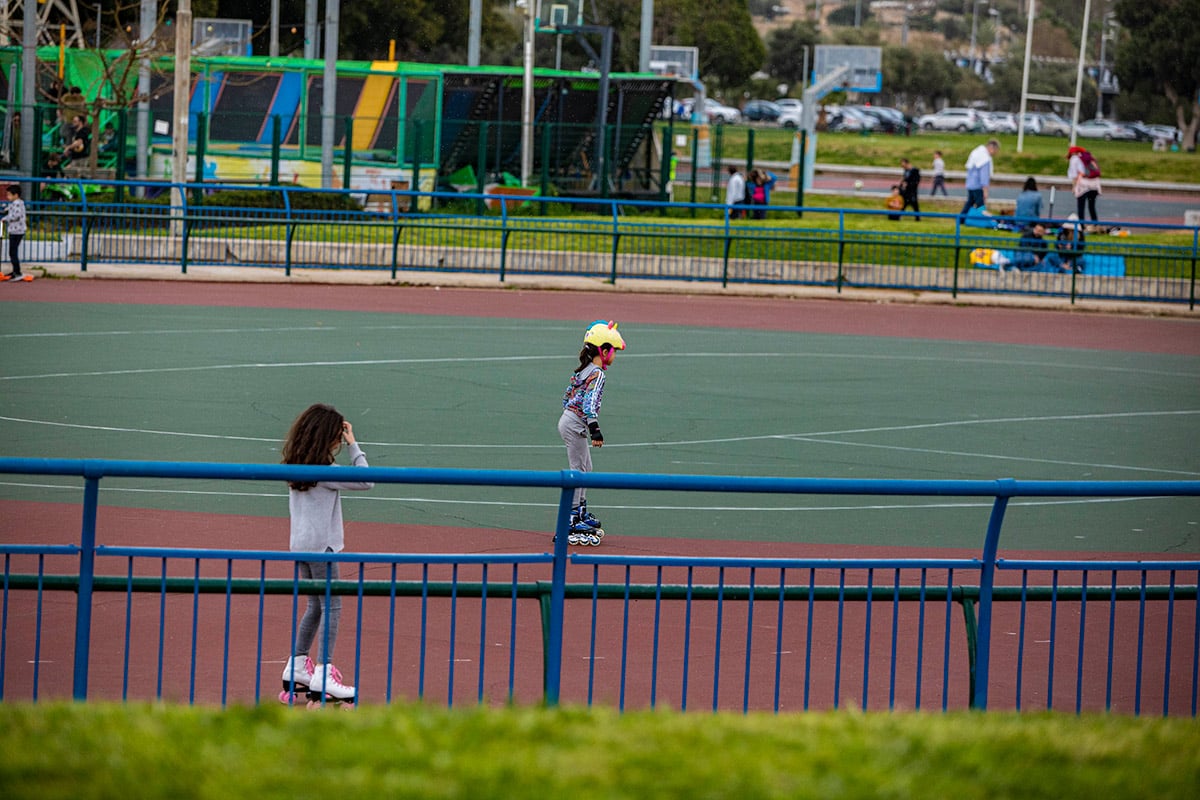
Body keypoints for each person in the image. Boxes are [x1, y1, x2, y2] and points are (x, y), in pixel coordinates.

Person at [279, 403, 373, 704]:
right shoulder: (326, 472)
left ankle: (297, 665)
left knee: (314, 606)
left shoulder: (295, 468)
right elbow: (366, 480)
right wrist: (353, 445)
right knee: (332, 606)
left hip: (300, 546)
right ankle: (324, 672)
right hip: (323, 548)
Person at [558, 320, 625, 547]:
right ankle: (571, 518)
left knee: (586, 469)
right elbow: (590, 402)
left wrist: (570, 415)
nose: (614, 355)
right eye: (613, 351)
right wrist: (594, 428)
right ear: (603, 351)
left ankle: (581, 511)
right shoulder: (597, 374)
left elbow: (568, 394)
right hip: (576, 422)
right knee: (578, 471)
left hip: (571, 420)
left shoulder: (585, 370)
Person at [959, 138, 999, 218]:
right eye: (996, 150)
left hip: (970, 183)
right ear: (992, 148)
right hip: (977, 185)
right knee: (980, 204)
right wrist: (985, 190)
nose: (996, 153)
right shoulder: (985, 158)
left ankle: (961, 219)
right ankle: (982, 219)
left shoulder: (976, 153)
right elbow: (984, 176)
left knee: (970, 202)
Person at [1067, 145, 1101, 223]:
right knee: (1092, 207)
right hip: (1095, 185)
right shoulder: (1088, 158)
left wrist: (1074, 187)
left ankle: (1081, 225)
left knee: (1081, 207)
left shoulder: (1074, 159)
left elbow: (1074, 175)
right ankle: (1095, 225)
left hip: (1083, 186)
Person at [0, 184, 28, 282]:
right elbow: (10, 209)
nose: (8, 197)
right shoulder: (16, 203)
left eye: (9, 195)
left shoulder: (17, 203)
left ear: (16, 195)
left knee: (13, 252)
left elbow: (15, 215)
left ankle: (17, 272)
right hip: (15, 230)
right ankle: (15, 271)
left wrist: (4, 219)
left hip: (17, 231)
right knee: (12, 252)